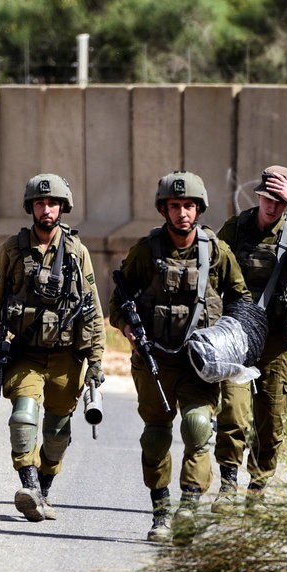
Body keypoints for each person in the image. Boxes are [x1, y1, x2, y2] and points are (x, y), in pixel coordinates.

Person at [109, 171, 250, 542]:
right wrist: (128, 330)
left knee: (198, 427)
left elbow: (240, 300)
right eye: (175, 206)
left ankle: (188, 508)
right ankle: (160, 514)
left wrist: (229, 340)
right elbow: (117, 304)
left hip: (199, 362)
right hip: (155, 360)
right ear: (163, 209)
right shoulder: (146, 250)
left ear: (199, 209)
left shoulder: (216, 251)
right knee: (156, 436)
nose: (182, 213)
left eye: (189, 205)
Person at [0, 174, 105, 522]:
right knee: (23, 417)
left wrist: (95, 360)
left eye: (52, 203)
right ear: (31, 208)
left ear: (62, 207)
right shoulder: (13, 250)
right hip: (26, 354)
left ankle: (45, 489)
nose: (46, 209)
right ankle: (30, 487)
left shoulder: (77, 253)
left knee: (56, 433)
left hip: (67, 356)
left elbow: (93, 309)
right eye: (39, 203)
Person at [212, 165, 287, 511]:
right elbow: (212, 266)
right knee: (232, 410)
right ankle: (228, 485)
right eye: (268, 200)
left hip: (276, 340)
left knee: (271, 419)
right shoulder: (237, 227)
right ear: (258, 197)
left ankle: (257, 490)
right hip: (239, 335)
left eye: (280, 202)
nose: (272, 207)